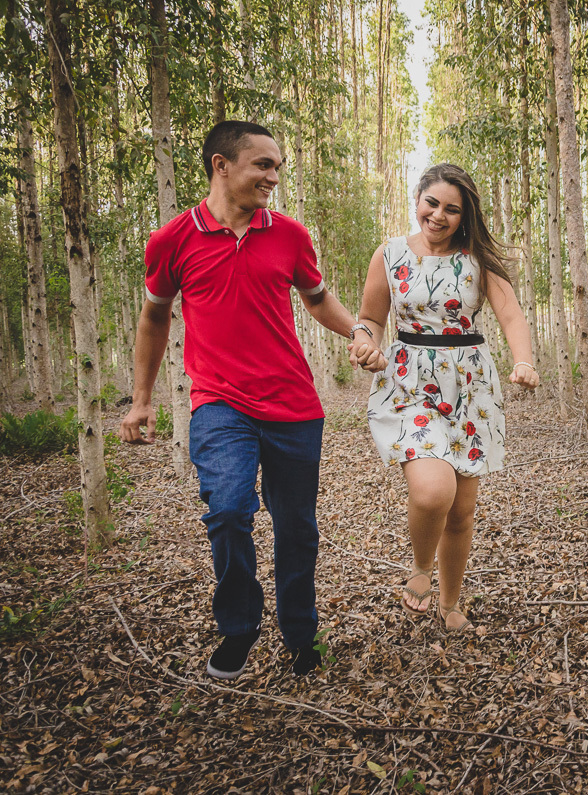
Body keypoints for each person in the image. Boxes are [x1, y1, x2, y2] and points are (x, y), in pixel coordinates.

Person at [119, 120, 377, 679]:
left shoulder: (289, 234)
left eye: (277, 167)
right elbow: (154, 316)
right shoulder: (171, 241)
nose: (273, 177)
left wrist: (357, 331)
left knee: (296, 527)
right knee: (230, 510)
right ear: (221, 165)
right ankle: (239, 628)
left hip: (294, 406)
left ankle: (301, 634)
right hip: (219, 404)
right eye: (263, 165)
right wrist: (141, 399)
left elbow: (316, 297)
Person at [349, 163, 537, 632]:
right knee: (435, 491)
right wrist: (366, 342)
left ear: (464, 215)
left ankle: (451, 605)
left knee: (462, 510)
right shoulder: (390, 254)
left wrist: (524, 360)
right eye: (431, 203)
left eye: (452, 209)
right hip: (410, 382)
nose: (438, 215)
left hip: (470, 386)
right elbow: (371, 316)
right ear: (417, 199)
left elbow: (511, 314)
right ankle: (420, 568)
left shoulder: (477, 258)